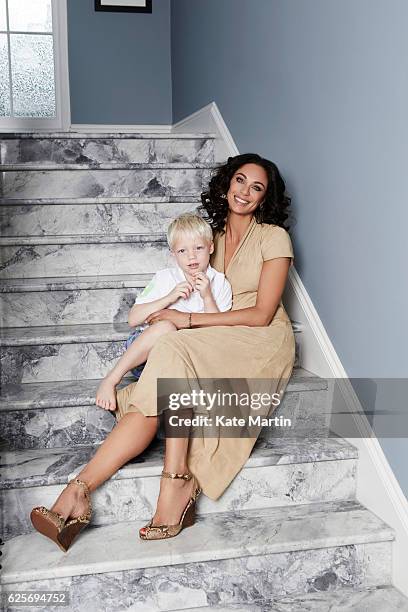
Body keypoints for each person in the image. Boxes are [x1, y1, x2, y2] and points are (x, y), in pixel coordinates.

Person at [30, 153, 295, 550]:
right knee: (171, 352)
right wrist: (173, 312)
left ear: (265, 198)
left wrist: (185, 322)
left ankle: (170, 482)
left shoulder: (274, 237)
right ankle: (81, 487)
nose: (245, 192)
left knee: (172, 344)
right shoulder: (209, 236)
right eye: (240, 181)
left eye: (257, 187)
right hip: (212, 326)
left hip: (257, 335)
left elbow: (259, 314)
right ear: (227, 183)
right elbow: (176, 288)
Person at [94, 213, 232, 412]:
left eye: (198, 248)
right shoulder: (165, 278)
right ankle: (111, 379)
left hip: (187, 359)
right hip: (147, 355)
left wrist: (207, 296)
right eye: (182, 250)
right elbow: (133, 319)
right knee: (167, 326)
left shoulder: (220, 283)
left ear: (211, 247)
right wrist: (169, 297)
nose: (191, 257)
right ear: (173, 254)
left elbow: (219, 334)